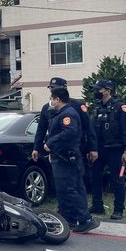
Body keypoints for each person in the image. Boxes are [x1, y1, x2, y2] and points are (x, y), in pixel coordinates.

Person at [44, 87, 99, 233]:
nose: (51, 101)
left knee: (71, 189)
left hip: (67, 158)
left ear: (57, 99)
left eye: (52, 98)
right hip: (61, 156)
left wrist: (50, 143)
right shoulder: (60, 113)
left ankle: (84, 219)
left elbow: (69, 132)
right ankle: (68, 218)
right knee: (65, 189)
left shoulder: (67, 114)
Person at [32, 77, 98, 167]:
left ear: (64, 89)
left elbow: (88, 127)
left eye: (55, 88)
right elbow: (41, 130)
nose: (53, 91)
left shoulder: (77, 105)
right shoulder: (47, 108)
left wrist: (93, 148)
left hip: (75, 150)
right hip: (56, 151)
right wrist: (36, 148)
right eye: (51, 89)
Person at [89, 79, 126, 220]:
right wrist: (92, 149)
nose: (96, 92)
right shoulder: (97, 107)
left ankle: (118, 210)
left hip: (115, 150)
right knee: (95, 178)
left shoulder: (120, 107)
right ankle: (97, 205)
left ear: (108, 90)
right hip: (99, 149)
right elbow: (92, 131)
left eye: (99, 90)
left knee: (117, 179)